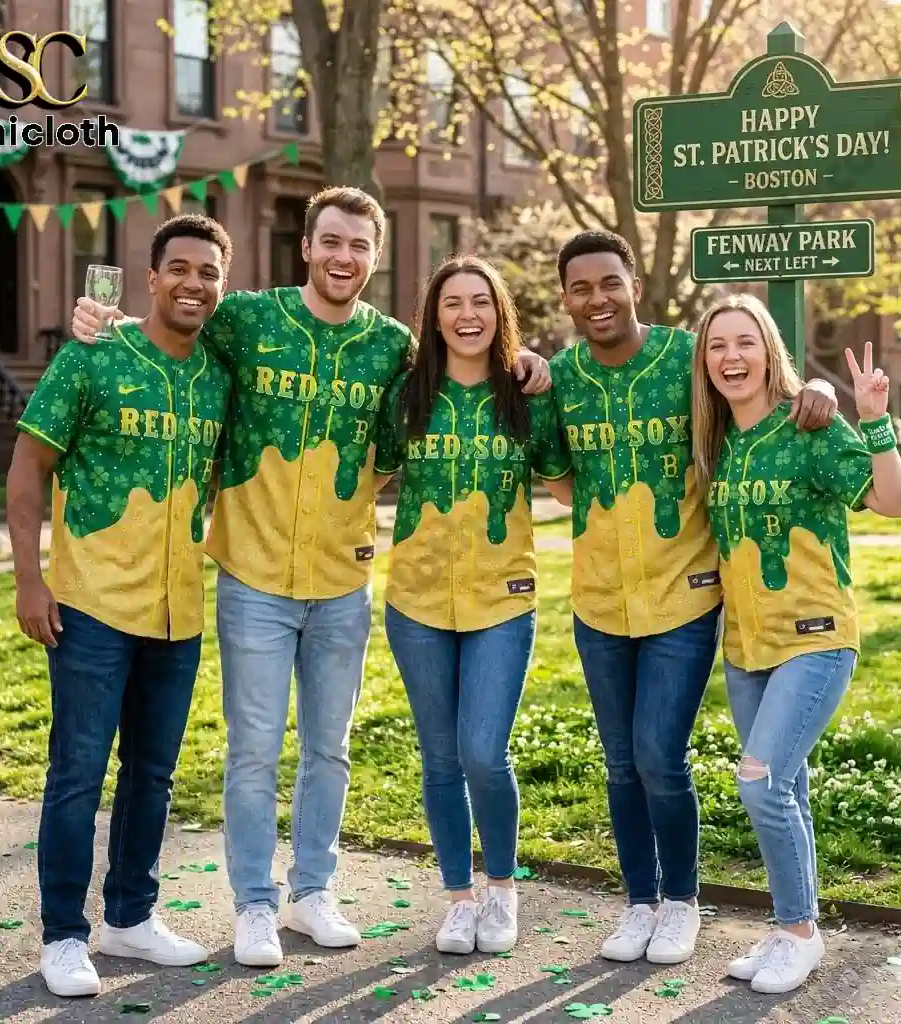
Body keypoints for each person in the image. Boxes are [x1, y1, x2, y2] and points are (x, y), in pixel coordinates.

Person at [69, 186, 551, 967]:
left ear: (376, 256)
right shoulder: (247, 319)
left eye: (359, 246)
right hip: (253, 577)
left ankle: (312, 892)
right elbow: (172, 328)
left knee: (329, 749)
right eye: (331, 241)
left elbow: (464, 367)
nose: (343, 257)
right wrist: (105, 322)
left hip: (342, 582)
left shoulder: (392, 347)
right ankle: (255, 906)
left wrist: (525, 362)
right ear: (306, 246)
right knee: (254, 749)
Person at [548, 230, 840, 967]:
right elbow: (558, 475)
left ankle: (680, 901)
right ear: (565, 299)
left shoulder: (688, 356)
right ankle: (639, 901)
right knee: (619, 762)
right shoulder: (562, 375)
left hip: (686, 595)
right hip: (598, 603)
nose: (597, 299)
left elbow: (761, 386)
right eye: (580, 288)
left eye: (609, 282)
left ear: (634, 281)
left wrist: (821, 390)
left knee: (658, 754)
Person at [7, 215, 234, 997]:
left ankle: (131, 917)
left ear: (221, 284)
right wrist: (28, 580)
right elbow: (29, 467)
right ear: (152, 276)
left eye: (208, 271)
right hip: (92, 606)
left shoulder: (219, 373)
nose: (193, 283)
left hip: (178, 610)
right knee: (76, 772)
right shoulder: (94, 354)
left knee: (154, 773)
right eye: (179, 267)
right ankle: (64, 934)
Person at [691, 294, 901, 993]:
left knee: (759, 783)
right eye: (718, 345)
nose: (731, 357)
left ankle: (798, 934)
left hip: (816, 638)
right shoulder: (715, 442)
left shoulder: (809, 424)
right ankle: (793, 922)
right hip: (747, 647)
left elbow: (893, 501)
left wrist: (874, 422)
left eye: (744, 342)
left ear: (769, 350)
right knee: (788, 789)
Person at [373, 256, 572, 955]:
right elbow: (367, 475)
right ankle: (458, 897)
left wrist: (544, 375)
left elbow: (567, 488)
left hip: (502, 598)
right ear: (433, 316)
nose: (466, 315)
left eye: (480, 302)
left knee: (484, 752)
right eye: (452, 302)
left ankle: (502, 888)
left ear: (499, 313)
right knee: (439, 758)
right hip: (416, 600)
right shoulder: (406, 394)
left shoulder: (526, 394)